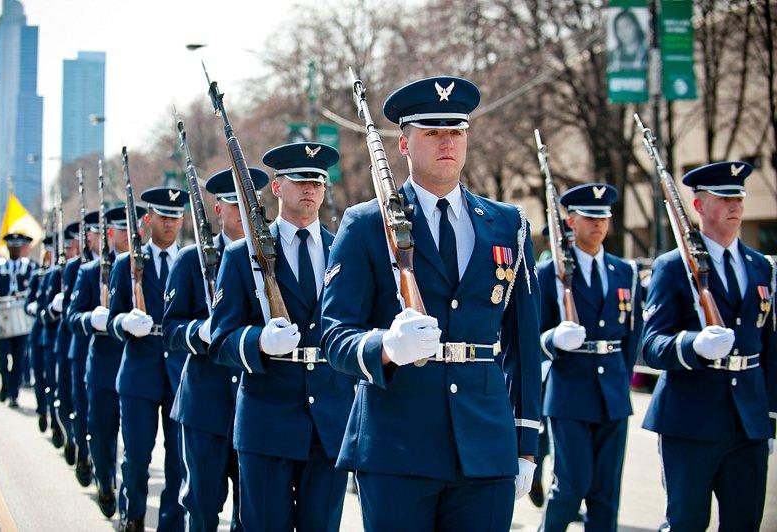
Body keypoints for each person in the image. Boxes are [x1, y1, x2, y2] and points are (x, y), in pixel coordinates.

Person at [319, 76, 541, 530]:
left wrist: (526, 444)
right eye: (432, 132)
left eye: (456, 131)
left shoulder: (508, 224)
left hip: (485, 443)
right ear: (403, 143)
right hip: (397, 444)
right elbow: (334, 334)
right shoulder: (365, 223)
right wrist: (385, 346)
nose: (447, 142)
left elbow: (524, 344)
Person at [209, 144, 356, 531]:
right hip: (267, 418)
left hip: (329, 420)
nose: (311, 188)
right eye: (300, 180)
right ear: (276, 187)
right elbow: (220, 339)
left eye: (318, 181)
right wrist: (258, 341)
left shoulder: (346, 249)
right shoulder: (242, 255)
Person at [642, 161, 776, 531]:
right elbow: (652, 346)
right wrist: (693, 345)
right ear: (699, 206)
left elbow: (769, 345)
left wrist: (771, 415)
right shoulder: (673, 267)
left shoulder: (759, 266)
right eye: (724, 198)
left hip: (747, 421)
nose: (735, 205)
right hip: (691, 420)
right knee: (686, 522)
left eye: (739, 197)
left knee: (744, 522)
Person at [163, 167, 267, 531]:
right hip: (205, 403)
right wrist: (200, 331)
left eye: (247, 203)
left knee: (249, 512)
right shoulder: (191, 260)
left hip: (253, 404)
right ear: (218, 211)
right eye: (232, 204)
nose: (242, 211)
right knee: (203, 506)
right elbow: (170, 329)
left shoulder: (269, 257)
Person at [537, 183, 642, 531]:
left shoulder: (622, 271)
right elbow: (531, 336)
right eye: (589, 217)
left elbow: (632, 333)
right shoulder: (549, 272)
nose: (598, 224)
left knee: (605, 494)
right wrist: (554, 338)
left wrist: (621, 378)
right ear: (570, 221)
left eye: (603, 217)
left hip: (612, 391)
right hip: (569, 391)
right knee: (570, 486)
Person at [107, 187, 189, 532]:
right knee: (137, 457)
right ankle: (134, 513)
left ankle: (170, 524)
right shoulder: (127, 263)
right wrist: (124, 322)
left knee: (177, 462)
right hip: (139, 373)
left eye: (175, 216)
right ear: (147, 219)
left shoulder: (190, 262)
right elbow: (111, 319)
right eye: (162, 216)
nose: (169, 224)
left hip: (178, 373)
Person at [69, 205, 143, 518]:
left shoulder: (142, 269)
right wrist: (92, 319)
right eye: (123, 230)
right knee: (101, 432)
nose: (130, 235)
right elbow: (73, 318)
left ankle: (127, 496)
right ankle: (104, 481)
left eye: (133, 229)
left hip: (135, 367)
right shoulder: (88, 272)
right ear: (110, 234)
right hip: (101, 366)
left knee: (134, 444)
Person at [42, 221, 83, 466]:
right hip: (66, 342)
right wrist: (54, 307)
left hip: (98, 349)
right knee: (67, 399)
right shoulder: (64, 271)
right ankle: (68, 435)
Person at [65, 211, 100, 487]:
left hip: (109, 354)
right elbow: (70, 312)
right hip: (80, 349)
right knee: (82, 408)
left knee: (102, 421)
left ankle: (105, 471)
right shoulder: (77, 268)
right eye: (93, 232)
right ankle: (83, 454)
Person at [0, 233, 35, 408]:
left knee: (19, 359)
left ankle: (13, 393)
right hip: (4, 320)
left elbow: (36, 290)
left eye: (18, 247)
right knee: (2, 357)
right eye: (12, 247)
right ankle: (5, 383)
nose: (16, 250)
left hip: (22, 321)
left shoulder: (29, 268)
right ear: (8, 249)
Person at [26, 235, 56, 432]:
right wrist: (35, 307)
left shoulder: (64, 274)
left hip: (55, 335)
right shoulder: (38, 276)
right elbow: (28, 304)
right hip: (39, 332)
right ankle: (41, 410)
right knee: (39, 374)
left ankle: (55, 418)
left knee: (54, 379)